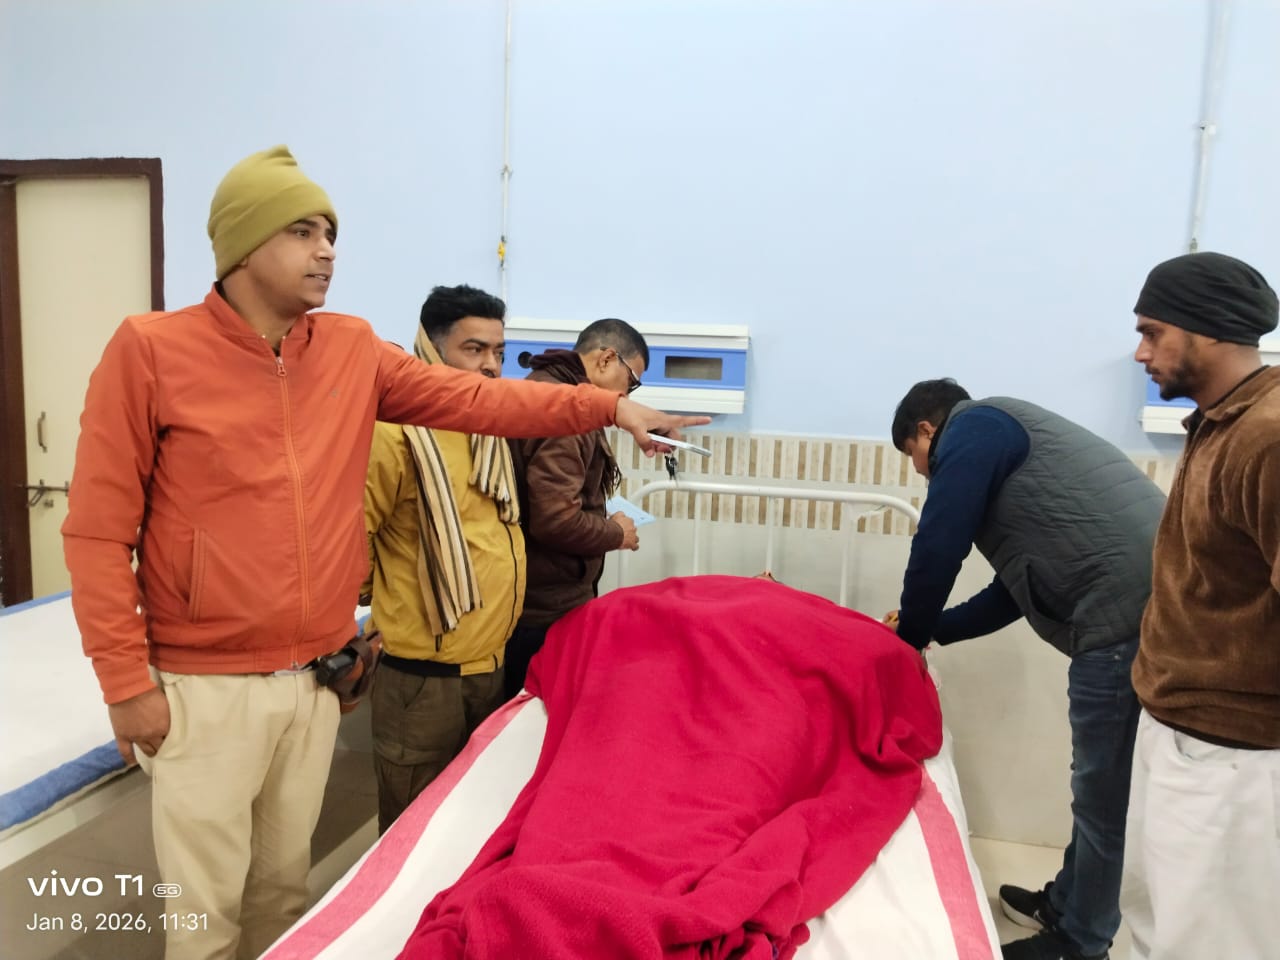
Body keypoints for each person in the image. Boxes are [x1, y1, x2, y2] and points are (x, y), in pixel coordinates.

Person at [61, 146, 706, 960]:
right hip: (207, 686)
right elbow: (96, 532)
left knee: (284, 897)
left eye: (330, 233)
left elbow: (479, 401)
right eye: (302, 231)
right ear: (242, 243)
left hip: (312, 681)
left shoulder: (349, 349)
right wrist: (125, 683)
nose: (327, 250)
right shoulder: (152, 351)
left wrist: (608, 409)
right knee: (204, 919)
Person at [885, 379, 1165, 960]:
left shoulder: (973, 429)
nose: (923, 474)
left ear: (927, 431)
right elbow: (1013, 591)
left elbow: (938, 544)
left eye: (914, 457)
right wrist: (934, 630)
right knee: (1098, 783)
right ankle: (1068, 904)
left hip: (1122, 619)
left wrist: (907, 639)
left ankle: (1080, 941)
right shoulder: (1007, 441)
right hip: (1138, 607)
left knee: (1101, 789)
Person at [1122, 251, 1279, 960]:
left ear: (1209, 329)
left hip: (1236, 755)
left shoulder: (1269, 435)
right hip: (1179, 729)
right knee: (1154, 923)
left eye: (1153, 332)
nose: (1141, 352)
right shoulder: (1221, 422)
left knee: (1213, 942)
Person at [363, 284, 524, 834]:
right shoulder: (393, 432)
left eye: (498, 352)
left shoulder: (488, 426)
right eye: (474, 349)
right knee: (412, 834)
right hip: (422, 681)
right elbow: (351, 538)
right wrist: (390, 603)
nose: (491, 365)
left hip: (489, 667)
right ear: (432, 349)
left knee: (471, 827)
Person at [504, 319, 649, 698]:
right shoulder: (566, 412)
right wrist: (616, 533)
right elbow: (556, 520)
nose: (627, 395)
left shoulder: (549, 389)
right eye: (631, 381)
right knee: (538, 715)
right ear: (606, 359)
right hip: (543, 609)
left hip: (529, 595)